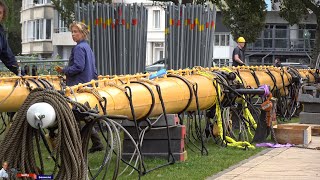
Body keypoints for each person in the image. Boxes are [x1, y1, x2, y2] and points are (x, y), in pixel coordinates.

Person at [55, 22, 103, 153]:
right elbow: (92, 69)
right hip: (87, 85)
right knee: (85, 116)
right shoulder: (87, 47)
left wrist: (64, 70)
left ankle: (75, 146)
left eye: (76, 31)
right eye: (72, 32)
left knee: (75, 116)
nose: (73, 34)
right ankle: (96, 142)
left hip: (78, 87)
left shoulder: (78, 48)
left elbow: (78, 67)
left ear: (83, 33)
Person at [0, 1, 20, 75]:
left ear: (3, 16)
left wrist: (22, 74)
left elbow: (9, 58)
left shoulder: (1, 34)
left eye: (0, 13)